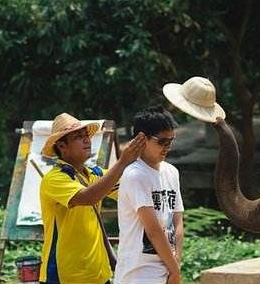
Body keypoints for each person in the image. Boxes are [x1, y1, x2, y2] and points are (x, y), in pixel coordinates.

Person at [38, 112, 146, 284]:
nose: (87, 140)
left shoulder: (93, 174)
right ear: (62, 146)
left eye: (86, 135)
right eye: (78, 137)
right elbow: (87, 196)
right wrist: (122, 162)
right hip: (65, 275)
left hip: (98, 273)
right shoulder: (55, 179)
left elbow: (129, 188)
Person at [114, 107, 184, 284]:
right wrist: (175, 271)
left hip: (167, 267)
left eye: (171, 141)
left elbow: (177, 221)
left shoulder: (172, 172)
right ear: (141, 139)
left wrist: (176, 264)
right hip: (139, 273)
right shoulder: (135, 175)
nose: (167, 147)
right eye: (162, 142)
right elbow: (152, 230)